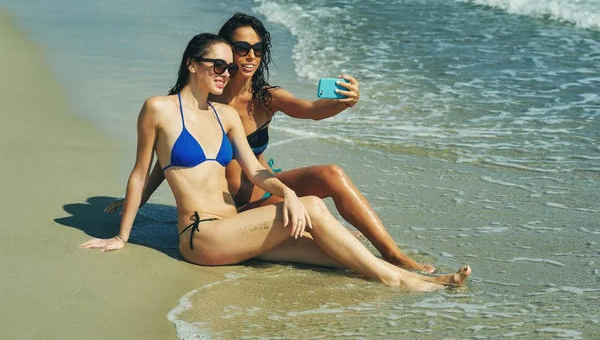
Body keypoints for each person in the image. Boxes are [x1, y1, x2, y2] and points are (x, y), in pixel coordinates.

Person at [84, 33, 471, 290]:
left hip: (235, 228)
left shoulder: (225, 116)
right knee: (314, 207)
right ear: (191, 64)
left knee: (341, 256)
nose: (226, 73)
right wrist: (122, 235)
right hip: (200, 237)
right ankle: (406, 283)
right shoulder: (159, 109)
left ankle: (396, 269)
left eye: (230, 68)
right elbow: (140, 173)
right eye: (217, 66)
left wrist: (283, 191)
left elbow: (255, 169)